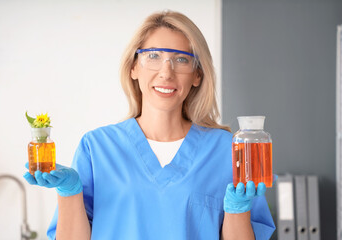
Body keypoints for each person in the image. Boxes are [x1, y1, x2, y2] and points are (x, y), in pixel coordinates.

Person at [23, 10, 275, 240]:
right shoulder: (97, 147)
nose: (166, 72)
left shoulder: (227, 151)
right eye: (153, 56)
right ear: (134, 67)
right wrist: (69, 192)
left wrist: (237, 211)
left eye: (182, 59)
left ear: (198, 74)